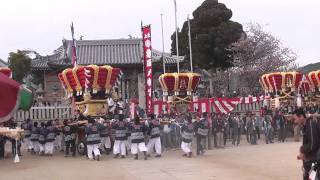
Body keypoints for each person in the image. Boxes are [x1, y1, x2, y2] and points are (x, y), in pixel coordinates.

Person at [294, 108, 320, 180]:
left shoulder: (311, 123)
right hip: (313, 161)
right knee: (308, 176)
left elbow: (312, 145)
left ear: (301, 117)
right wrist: (304, 163)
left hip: (316, 162)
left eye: (295, 119)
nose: (295, 121)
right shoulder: (306, 125)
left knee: (311, 177)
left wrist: (302, 151)